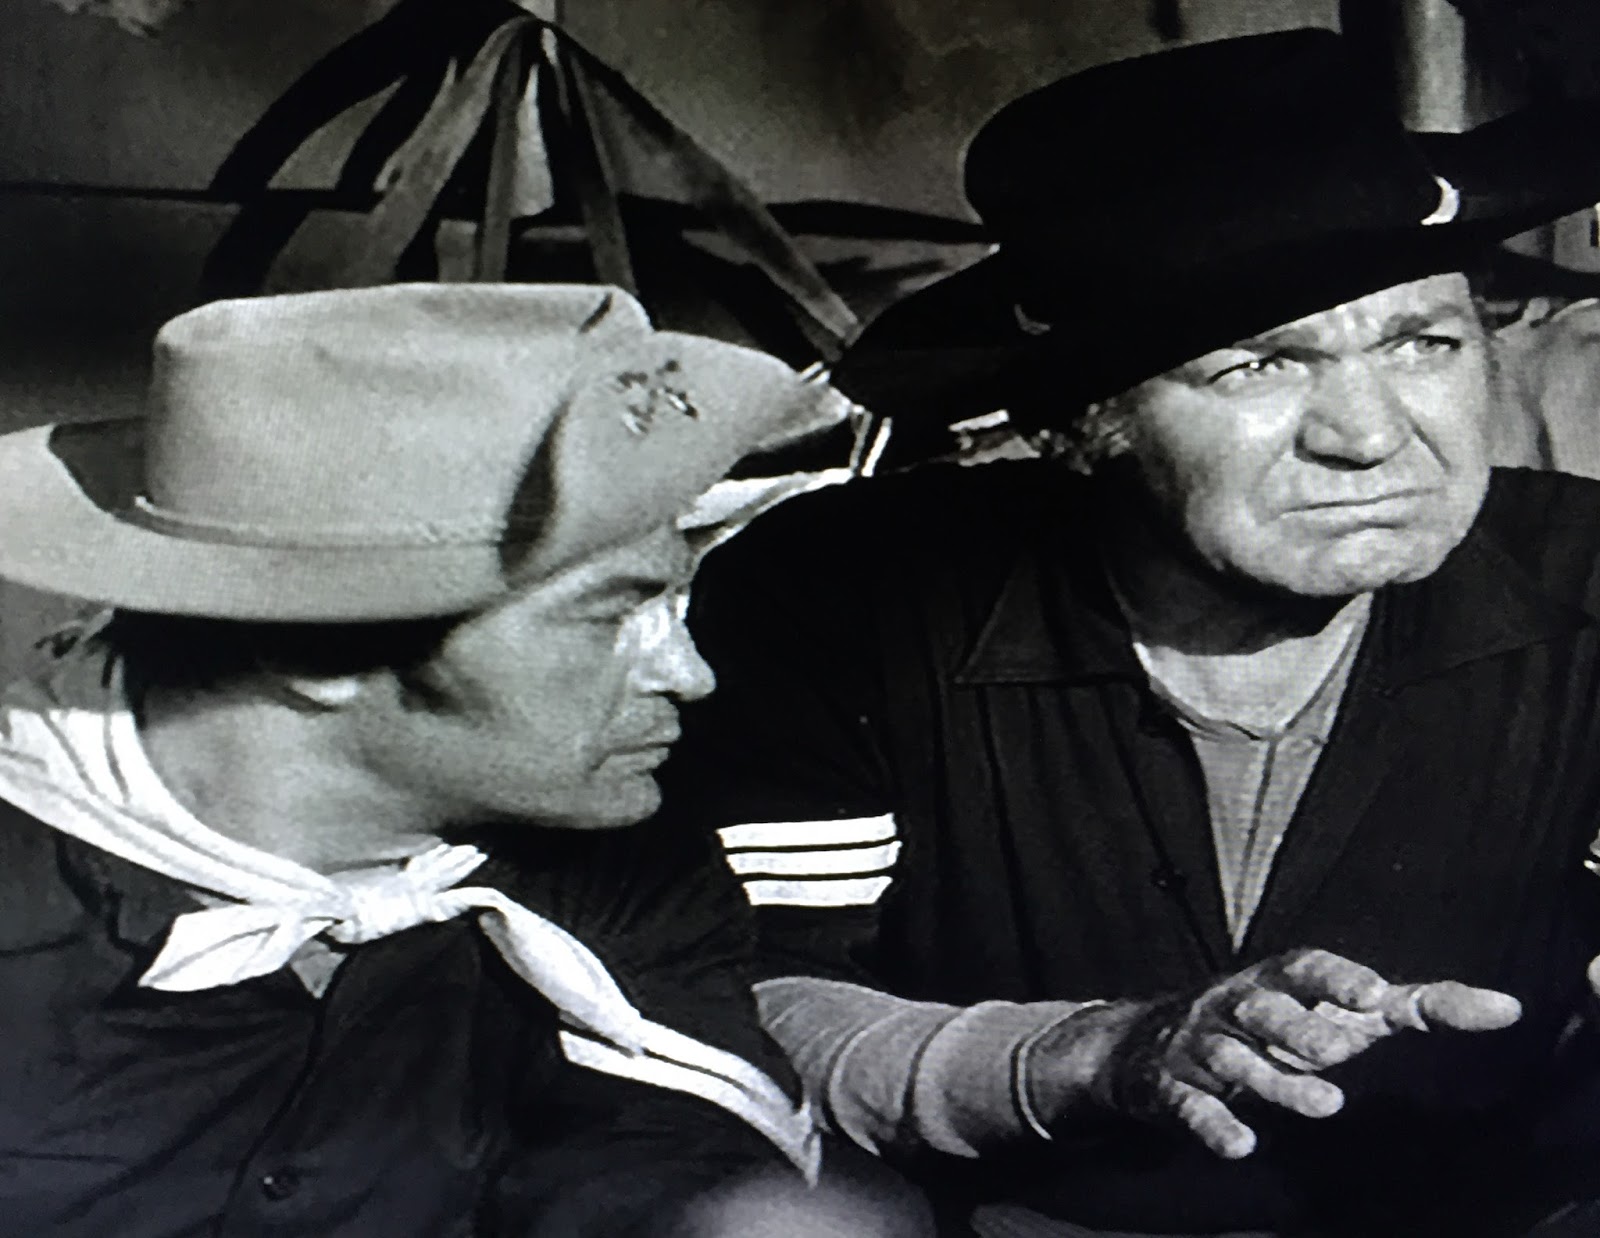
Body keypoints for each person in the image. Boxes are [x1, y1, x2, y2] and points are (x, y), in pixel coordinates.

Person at [661, 30, 1600, 1238]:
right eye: (1259, 365)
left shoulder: (1586, 579)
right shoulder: (847, 593)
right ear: (1082, 423)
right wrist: (1102, 1051)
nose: (1369, 435)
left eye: (1423, 343)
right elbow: (746, 996)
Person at [0, 282, 931, 1237]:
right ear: (316, 656)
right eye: (611, 614)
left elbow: (659, 1158)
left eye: (673, 603)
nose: (689, 675)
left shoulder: (623, 868)